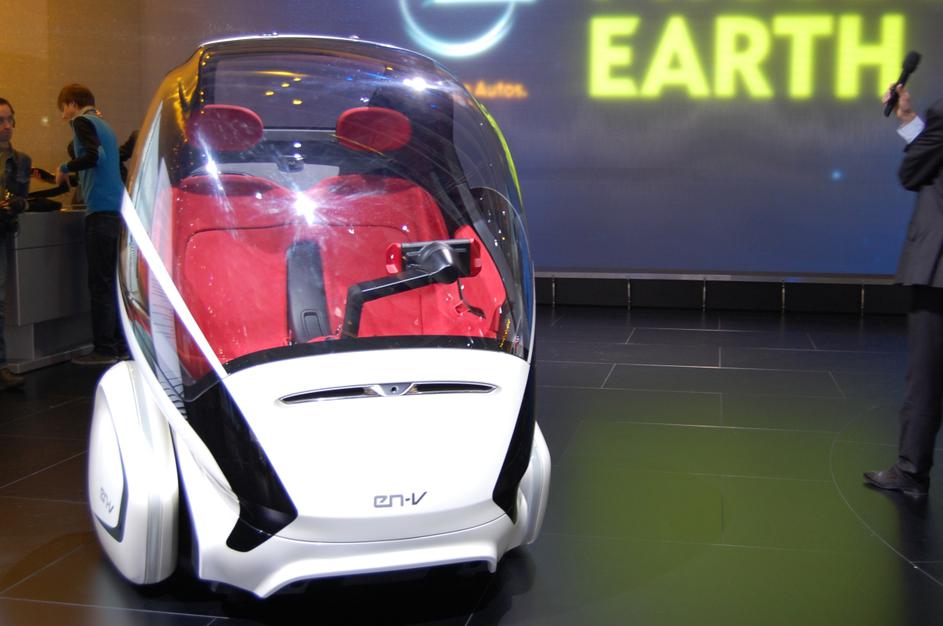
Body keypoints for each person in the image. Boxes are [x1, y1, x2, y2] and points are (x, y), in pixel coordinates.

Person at [864, 84, 943, 498]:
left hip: (938, 269)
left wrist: (913, 123)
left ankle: (912, 471)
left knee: (927, 375)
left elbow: (913, 172)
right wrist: (910, 120)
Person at [55, 84, 127, 365]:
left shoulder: (81, 121)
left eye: (63, 108)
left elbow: (94, 157)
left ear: (72, 104)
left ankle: (104, 348)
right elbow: (105, 165)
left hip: (100, 213)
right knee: (114, 284)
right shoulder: (104, 125)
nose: (63, 115)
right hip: (118, 212)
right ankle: (120, 344)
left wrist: (64, 168)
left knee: (100, 284)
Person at [0, 98, 28, 390]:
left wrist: (16, 204)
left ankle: (2, 365)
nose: (7, 126)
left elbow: (22, 197)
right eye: (1, 121)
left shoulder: (21, 160)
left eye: (10, 119)